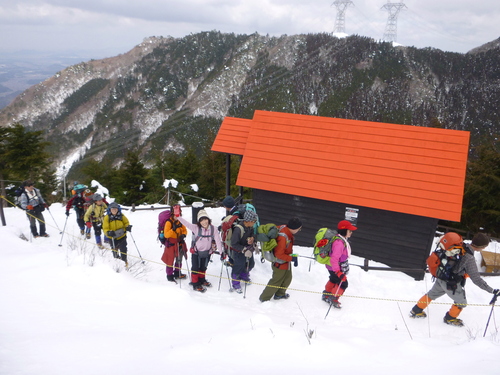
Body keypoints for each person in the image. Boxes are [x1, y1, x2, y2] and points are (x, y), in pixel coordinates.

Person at [409, 232, 500, 326]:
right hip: (451, 283)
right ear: (482, 246)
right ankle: (450, 318)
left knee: (431, 294)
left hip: (441, 276)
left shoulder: (460, 246)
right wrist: (492, 290)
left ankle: (416, 310)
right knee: (461, 302)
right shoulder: (469, 258)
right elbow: (476, 279)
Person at [176, 208, 223, 292]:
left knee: (203, 267)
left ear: (208, 219)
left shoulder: (213, 229)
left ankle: (202, 280)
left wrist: (221, 253)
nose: (204, 222)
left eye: (205, 219)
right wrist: (178, 216)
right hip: (196, 252)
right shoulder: (195, 228)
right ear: (199, 222)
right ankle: (195, 283)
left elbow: (218, 241)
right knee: (195, 268)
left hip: (207, 252)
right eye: (201, 220)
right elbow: (186, 223)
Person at [259, 217, 302, 302]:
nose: (299, 230)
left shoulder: (285, 230)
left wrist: (290, 257)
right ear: (294, 228)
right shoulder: (283, 237)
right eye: (299, 229)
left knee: (287, 278)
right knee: (276, 281)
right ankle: (264, 298)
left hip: (285, 261)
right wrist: (291, 258)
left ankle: (280, 294)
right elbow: (278, 254)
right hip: (279, 262)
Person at [321, 220, 357, 309]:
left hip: (332, 267)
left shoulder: (340, 240)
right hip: (336, 267)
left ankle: (326, 294)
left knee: (333, 279)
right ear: (344, 231)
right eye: (350, 231)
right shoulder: (339, 243)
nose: (351, 233)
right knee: (343, 283)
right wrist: (338, 272)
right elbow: (334, 259)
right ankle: (333, 298)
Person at [229, 210, 258, 294]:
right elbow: (233, 244)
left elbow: (253, 234)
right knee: (238, 266)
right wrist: (244, 249)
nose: (254, 223)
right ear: (248, 221)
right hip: (238, 251)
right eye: (253, 221)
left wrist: (252, 238)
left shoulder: (250, 227)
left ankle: (244, 275)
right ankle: (235, 283)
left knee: (251, 264)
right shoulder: (238, 229)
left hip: (248, 249)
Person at [161, 207, 188, 282]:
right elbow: (166, 235)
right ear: (172, 214)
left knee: (179, 259)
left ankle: (177, 273)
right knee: (170, 260)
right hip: (171, 244)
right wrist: (173, 229)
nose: (177, 216)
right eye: (176, 215)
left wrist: (184, 234)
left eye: (178, 215)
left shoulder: (181, 221)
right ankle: (169, 276)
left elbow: (185, 230)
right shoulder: (168, 222)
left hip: (179, 242)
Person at [103, 202, 131, 267]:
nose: (114, 210)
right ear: (110, 210)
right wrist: (108, 232)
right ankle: (117, 260)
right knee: (114, 248)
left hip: (122, 235)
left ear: (118, 209)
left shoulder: (122, 216)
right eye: (112, 209)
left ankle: (124, 260)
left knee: (123, 248)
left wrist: (127, 227)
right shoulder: (107, 217)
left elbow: (126, 222)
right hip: (112, 237)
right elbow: (105, 227)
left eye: (115, 209)